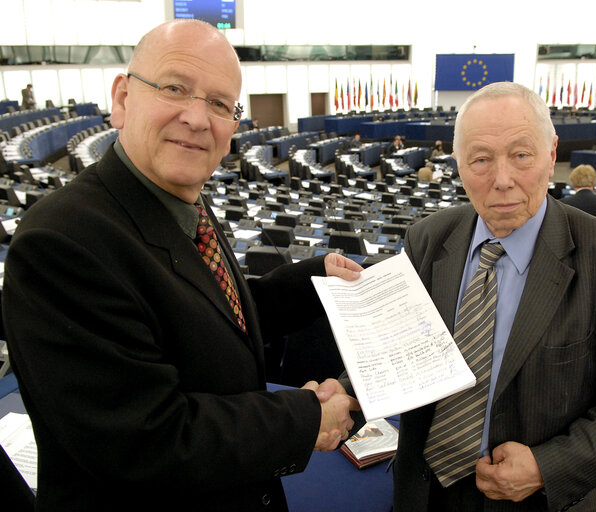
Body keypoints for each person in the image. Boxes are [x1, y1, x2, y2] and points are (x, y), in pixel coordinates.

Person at [3, 19, 363, 510]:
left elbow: (209, 316)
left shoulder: (182, 200)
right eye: (175, 88)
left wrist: (312, 279)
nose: (197, 119)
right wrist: (304, 419)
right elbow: (145, 440)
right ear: (123, 99)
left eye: (219, 103)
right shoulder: (61, 243)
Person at [390, 82, 596, 511]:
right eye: (480, 159)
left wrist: (546, 466)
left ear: (553, 152)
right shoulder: (426, 238)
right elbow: (399, 348)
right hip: (426, 494)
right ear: (457, 163)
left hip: (544, 500)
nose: (502, 181)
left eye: (521, 155)